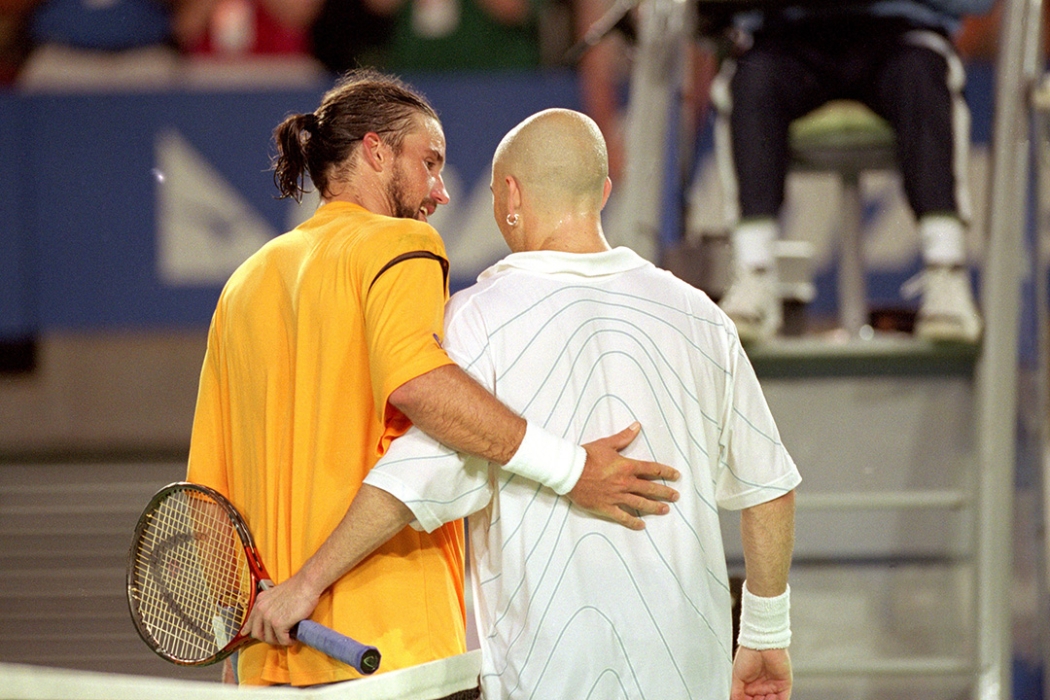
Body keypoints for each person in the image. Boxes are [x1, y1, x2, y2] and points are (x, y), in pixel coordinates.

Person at [247, 108, 800, 700]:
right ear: (604, 192)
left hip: (544, 678)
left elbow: (418, 478)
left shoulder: (474, 319)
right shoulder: (700, 316)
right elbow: (769, 488)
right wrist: (765, 635)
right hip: (691, 673)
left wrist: (305, 584)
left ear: (509, 193)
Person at [185, 69, 678, 688]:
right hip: (388, 651)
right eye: (431, 162)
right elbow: (422, 387)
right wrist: (571, 469)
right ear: (375, 150)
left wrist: (246, 636)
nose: (440, 192)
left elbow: (209, 497)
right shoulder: (401, 243)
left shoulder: (245, 281)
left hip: (267, 659)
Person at [712, 0, 994, 343]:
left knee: (923, 76)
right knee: (751, 83)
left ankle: (946, 272)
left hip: (900, 34)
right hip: (787, 37)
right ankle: (753, 272)